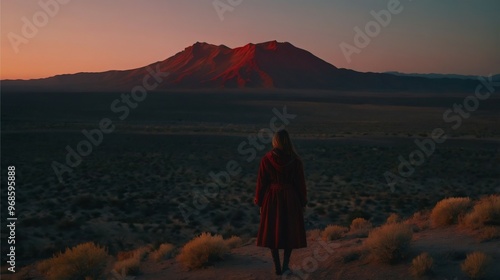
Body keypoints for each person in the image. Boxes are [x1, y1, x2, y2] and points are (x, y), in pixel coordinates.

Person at [254, 129, 307, 275]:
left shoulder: (266, 159)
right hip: (291, 198)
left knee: (273, 231)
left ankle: (277, 266)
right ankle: (285, 266)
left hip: (272, 198)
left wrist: (259, 202)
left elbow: (261, 183)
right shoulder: (295, 161)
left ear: (275, 141)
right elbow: (301, 184)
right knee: (289, 231)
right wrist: (302, 202)